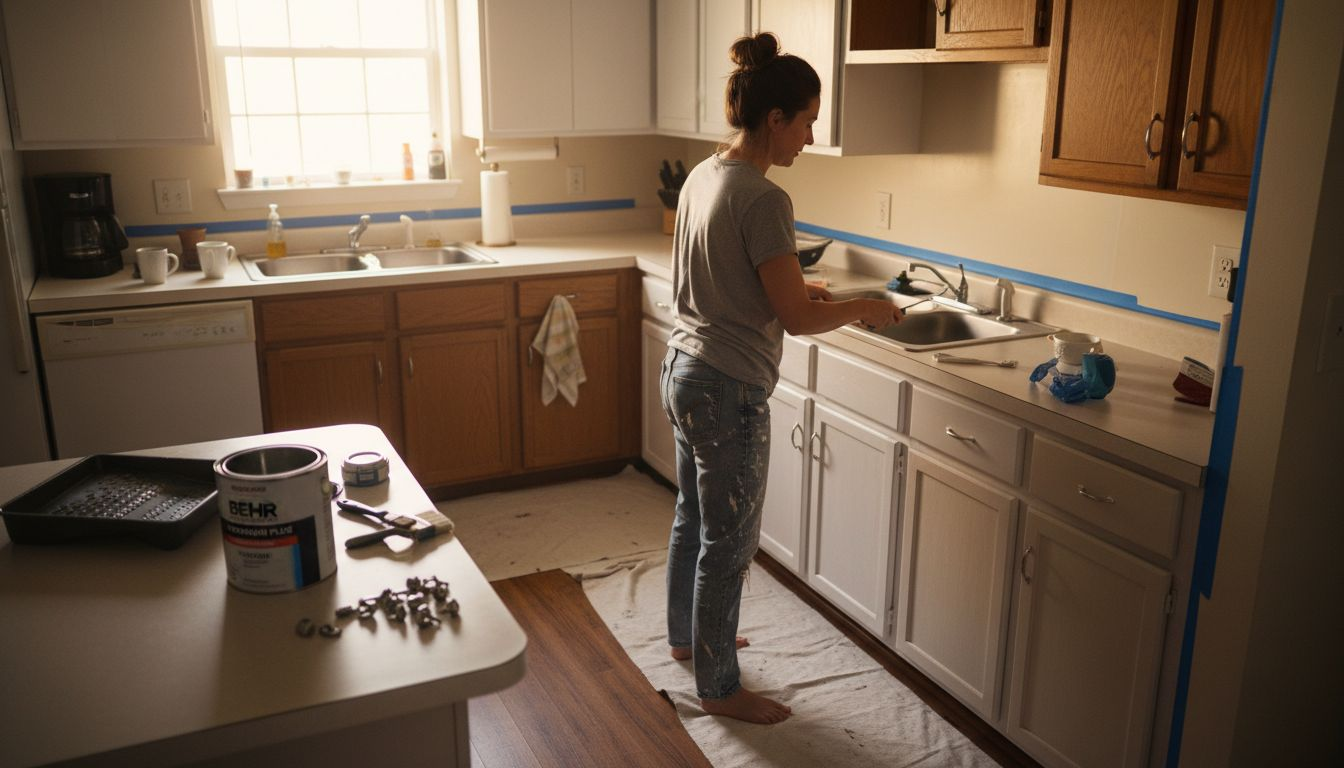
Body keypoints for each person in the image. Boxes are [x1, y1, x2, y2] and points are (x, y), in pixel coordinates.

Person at [660, 32, 903, 725]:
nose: (810, 134)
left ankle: (689, 640)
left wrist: (809, 288)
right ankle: (719, 688)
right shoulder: (766, 198)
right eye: (807, 120)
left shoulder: (707, 174)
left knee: (692, 521)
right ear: (776, 120)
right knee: (727, 544)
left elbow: (743, 283)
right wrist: (864, 308)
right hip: (728, 390)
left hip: (683, 372)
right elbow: (792, 321)